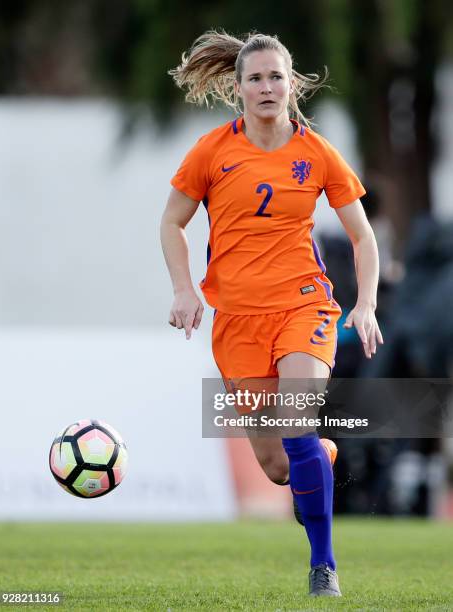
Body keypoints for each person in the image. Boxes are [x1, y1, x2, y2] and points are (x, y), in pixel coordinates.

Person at [161, 30, 383, 598]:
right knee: (281, 468)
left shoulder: (316, 151)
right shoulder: (212, 151)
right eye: (255, 78)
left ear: (293, 84)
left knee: (296, 424)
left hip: (303, 307)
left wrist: (364, 303)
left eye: (276, 76)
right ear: (237, 89)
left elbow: (362, 236)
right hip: (237, 322)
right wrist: (185, 289)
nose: (266, 86)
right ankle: (318, 460)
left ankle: (323, 568)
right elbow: (172, 224)